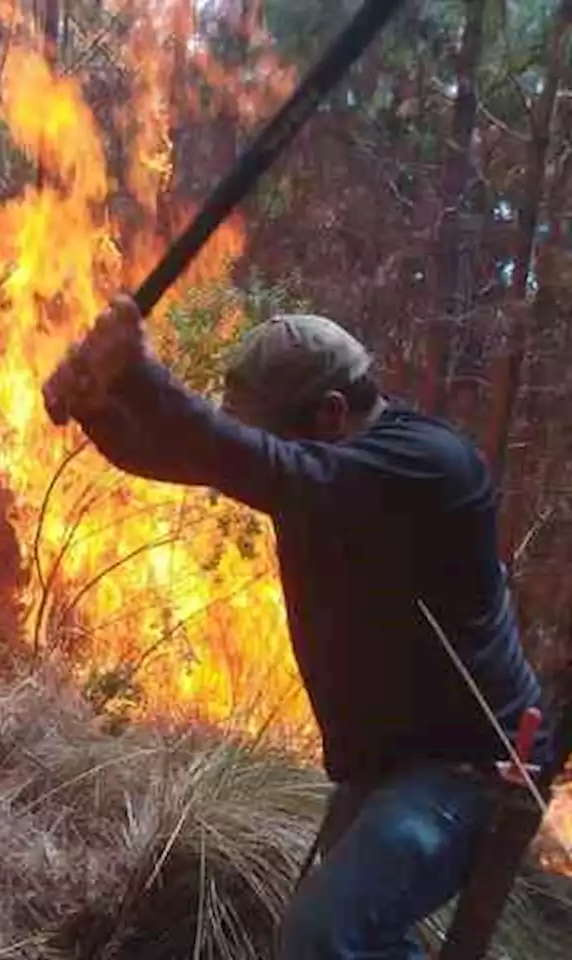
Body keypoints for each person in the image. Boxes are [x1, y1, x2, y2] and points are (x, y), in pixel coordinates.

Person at [42, 295, 553, 960]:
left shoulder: (426, 466)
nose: (251, 454)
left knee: (324, 937)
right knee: (325, 942)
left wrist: (140, 371)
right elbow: (185, 456)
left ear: (332, 414)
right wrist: (96, 406)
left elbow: (259, 464)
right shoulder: (321, 460)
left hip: (472, 769)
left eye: (265, 433)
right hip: (386, 764)